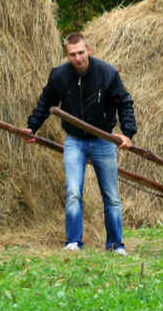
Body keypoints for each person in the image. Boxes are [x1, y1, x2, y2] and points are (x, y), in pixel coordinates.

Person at [24, 33, 137, 255]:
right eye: (72, 54)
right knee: (73, 191)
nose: (77, 58)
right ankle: (73, 242)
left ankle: (116, 245)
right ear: (67, 55)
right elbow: (46, 101)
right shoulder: (59, 75)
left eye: (81, 53)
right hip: (74, 140)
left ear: (89, 50)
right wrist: (32, 127)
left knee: (111, 195)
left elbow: (124, 103)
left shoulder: (107, 73)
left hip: (103, 139)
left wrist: (127, 133)